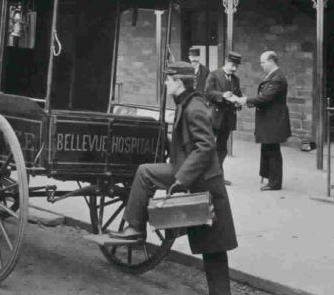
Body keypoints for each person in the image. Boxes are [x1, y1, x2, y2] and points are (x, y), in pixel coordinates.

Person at [110, 61, 237, 295]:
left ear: (179, 82)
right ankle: (135, 228)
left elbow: (205, 147)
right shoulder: (185, 103)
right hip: (197, 178)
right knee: (213, 248)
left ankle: (135, 229)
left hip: (204, 183)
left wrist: (181, 179)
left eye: (169, 79)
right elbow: (186, 143)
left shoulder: (194, 107)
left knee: (214, 248)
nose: (166, 83)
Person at [228, 51, 291, 191]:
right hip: (270, 119)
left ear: (271, 61)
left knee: (273, 150)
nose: (261, 65)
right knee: (268, 148)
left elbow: (265, 98)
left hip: (273, 120)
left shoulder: (277, 78)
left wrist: (244, 100)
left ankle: (275, 183)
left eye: (263, 62)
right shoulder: (274, 76)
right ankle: (269, 178)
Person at [205, 52, 243, 186]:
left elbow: (238, 95)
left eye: (236, 66)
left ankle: (218, 176)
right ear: (226, 61)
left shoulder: (235, 79)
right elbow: (208, 92)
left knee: (222, 148)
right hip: (215, 117)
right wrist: (222, 94)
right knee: (209, 146)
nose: (234, 69)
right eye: (233, 65)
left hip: (228, 119)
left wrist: (238, 102)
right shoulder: (214, 75)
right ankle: (206, 175)